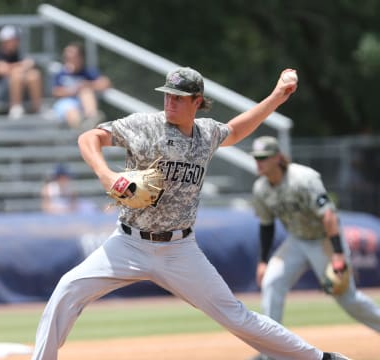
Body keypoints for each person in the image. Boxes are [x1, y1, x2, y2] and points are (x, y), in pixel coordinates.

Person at [30, 66, 350, 360]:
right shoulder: (146, 125)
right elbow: (89, 137)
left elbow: (236, 130)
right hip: (128, 243)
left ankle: (320, 359)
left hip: (179, 249)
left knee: (236, 316)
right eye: (168, 95)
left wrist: (277, 97)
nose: (171, 102)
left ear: (197, 101)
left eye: (179, 98)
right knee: (67, 289)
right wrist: (106, 174)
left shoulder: (206, 134)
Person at [247, 136, 380, 360]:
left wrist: (338, 253)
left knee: (346, 298)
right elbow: (266, 225)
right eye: (256, 158)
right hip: (297, 240)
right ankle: (271, 352)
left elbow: (328, 216)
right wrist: (263, 261)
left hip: (324, 239)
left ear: (278, 158)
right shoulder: (260, 188)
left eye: (264, 157)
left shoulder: (303, 178)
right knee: (272, 282)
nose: (259, 162)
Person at [51, 42, 111, 129]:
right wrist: (74, 90)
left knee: (86, 91)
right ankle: (84, 128)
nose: (69, 59)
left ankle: (92, 118)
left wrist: (87, 85)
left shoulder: (87, 71)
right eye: (67, 57)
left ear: (81, 58)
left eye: (72, 57)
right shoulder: (61, 73)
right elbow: (56, 92)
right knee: (70, 110)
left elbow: (106, 83)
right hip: (66, 103)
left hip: (84, 104)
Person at [0, 25, 43, 120]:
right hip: (1, 92)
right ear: (5, 41)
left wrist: (24, 66)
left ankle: (37, 108)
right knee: (17, 74)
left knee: (34, 75)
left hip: (22, 89)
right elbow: (1, 70)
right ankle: (16, 108)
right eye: (14, 39)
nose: (17, 42)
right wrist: (22, 66)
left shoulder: (18, 54)